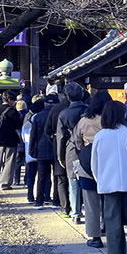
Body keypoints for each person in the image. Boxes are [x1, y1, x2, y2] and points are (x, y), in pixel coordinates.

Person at [91, 100, 127, 254]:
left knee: (112, 221)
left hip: (109, 183)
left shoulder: (100, 136)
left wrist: (100, 180)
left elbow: (94, 163)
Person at [72, 90, 112, 243]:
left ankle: (95, 236)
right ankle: (108, 227)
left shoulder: (84, 121)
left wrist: (83, 151)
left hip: (88, 163)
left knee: (91, 202)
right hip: (109, 164)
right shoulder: (111, 121)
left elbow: (76, 141)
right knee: (109, 201)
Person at [58, 82, 87, 222]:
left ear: (67, 97)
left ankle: (75, 213)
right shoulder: (88, 111)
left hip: (71, 148)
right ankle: (91, 211)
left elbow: (61, 136)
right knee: (89, 181)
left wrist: (60, 156)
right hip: (88, 147)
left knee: (73, 182)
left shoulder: (64, 114)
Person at [45, 87, 71, 216]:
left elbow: (47, 130)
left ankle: (64, 205)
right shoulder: (83, 108)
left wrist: (53, 140)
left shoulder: (55, 109)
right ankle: (77, 206)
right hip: (77, 146)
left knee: (61, 178)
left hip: (58, 144)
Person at [29, 95, 57, 208]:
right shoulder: (57, 116)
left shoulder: (37, 117)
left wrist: (31, 149)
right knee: (56, 176)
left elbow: (33, 135)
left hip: (41, 148)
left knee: (41, 176)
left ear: (45, 104)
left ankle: (39, 201)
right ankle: (56, 200)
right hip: (55, 148)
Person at [21, 99, 42, 202]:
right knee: (43, 177)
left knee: (30, 176)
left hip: (29, 154)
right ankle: (42, 196)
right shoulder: (42, 121)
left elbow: (23, 138)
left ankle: (30, 195)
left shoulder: (27, 124)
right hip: (41, 154)